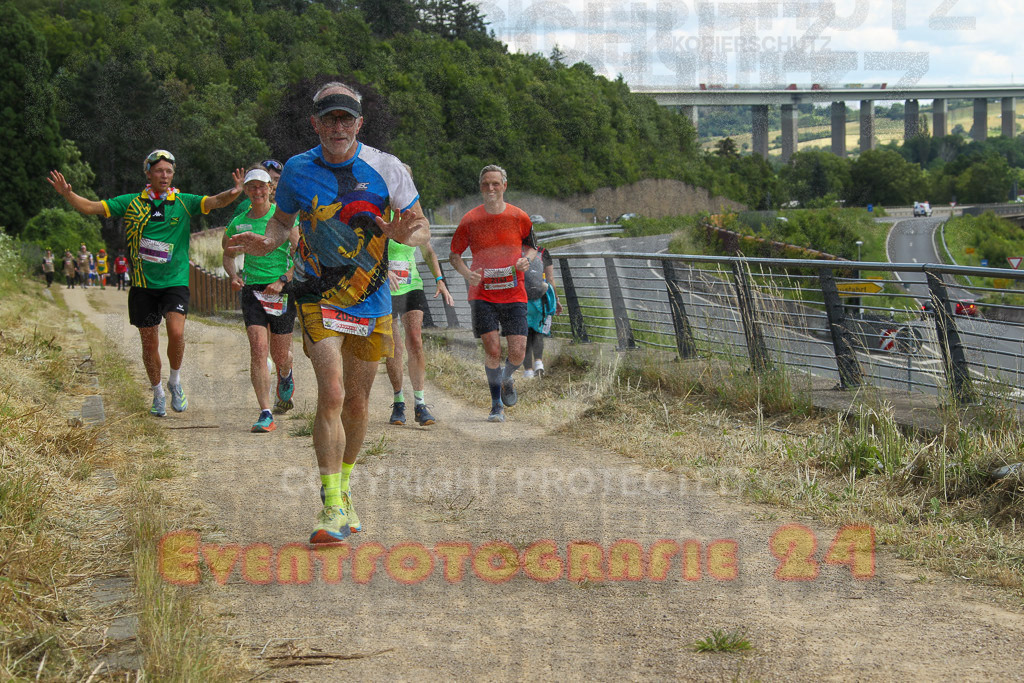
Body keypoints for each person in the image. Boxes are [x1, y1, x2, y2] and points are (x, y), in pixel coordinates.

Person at [227, 82, 429, 545]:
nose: (338, 127)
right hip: (317, 293)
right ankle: (330, 503)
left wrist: (405, 233)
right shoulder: (297, 169)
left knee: (358, 403)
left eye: (346, 119)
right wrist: (268, 240)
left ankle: (346, 485)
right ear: (315, 124)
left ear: (360, 124)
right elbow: (282, 221)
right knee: (333, 392)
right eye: (329, 119)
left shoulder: (388, 168)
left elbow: (421, 227)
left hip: (372, 298)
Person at [48, 150, 245, 417]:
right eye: (159, 171)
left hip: (174, 280)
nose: (164, 176)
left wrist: (235, 191)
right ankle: (157, 393)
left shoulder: (184, 201)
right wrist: (67, 194)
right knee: (148, 343)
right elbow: (91, 207)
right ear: (148, 173)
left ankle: (175, 381)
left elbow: (214, 201)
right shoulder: (131, 203)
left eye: (169, 172)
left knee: (176, 333)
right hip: (143, 285)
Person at [449, 164, 538, 423]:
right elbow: (454, 256)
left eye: (495, 184)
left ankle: (507, 376)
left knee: (518, 352)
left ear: (504, 186)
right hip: (482, 294)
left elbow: (532, 246)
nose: (490, 188)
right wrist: (467, 274)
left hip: (514, 293)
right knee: (493, 349)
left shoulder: (520, 216)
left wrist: (527, 261)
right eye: (486, 184)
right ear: (480, 187)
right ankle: (496, 404)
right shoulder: (470, 219)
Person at [222, 166, 299, 433]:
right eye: (252, 187)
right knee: (257, 349)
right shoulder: (239, 222)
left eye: (262, 186)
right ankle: (266, 412)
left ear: (270, 189)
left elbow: (301, 256)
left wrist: (282, 281)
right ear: (246, 190)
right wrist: (233, 275)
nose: (257, 191)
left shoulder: (285, 220)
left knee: (280, 354)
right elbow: (227, 254)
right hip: (253, 290)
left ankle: (286, 373)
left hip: (280, 290)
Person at [385, 167, 454, 426]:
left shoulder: (415, 214)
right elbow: (368, 250)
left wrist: (440, 281)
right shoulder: (382, 212)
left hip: (412, 284)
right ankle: (399, 401)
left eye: (405, 179)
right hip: (386, 287)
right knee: (394, 345)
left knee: (415, 340)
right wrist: (382, 272)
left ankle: (421, 403)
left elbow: (428, 252)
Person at [522, 245, 563, 378]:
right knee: (538, 330)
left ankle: (528, 371)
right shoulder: (543, 252)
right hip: (540, 299)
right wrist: (556, 300)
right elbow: (550, 279)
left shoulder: (515, 251)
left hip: (521, 298)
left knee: (524, 334)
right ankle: (539, 363)